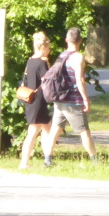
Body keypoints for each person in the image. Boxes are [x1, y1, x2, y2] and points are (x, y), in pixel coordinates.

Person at [42, 26, 97, 164]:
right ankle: (95, 160)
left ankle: (48, 159)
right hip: (73, 101)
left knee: (55, 130)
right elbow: (80, 80)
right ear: (80, 41)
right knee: (84, 131)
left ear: (66, 40)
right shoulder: (78, 57)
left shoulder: (62, 56)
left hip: (59, 99)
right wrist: (85, 98)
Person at [18, 32, 53, 170]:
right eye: (49, 47)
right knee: (33, 132)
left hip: (30, 99)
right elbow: (47, 81)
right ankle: (24, 162)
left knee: (47, 129)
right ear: (44, 47)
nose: (50, 50)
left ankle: (48, 159)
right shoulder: (42, 62)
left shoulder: (30, 61)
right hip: (39, 100)